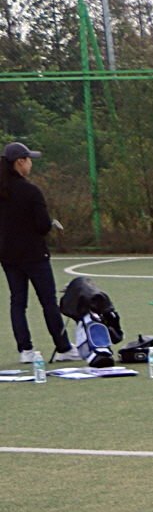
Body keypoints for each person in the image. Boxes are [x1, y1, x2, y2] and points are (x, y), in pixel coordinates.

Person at [1, 141, 77, 364]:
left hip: (8, 256)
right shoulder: (31, 191)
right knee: (48, 301)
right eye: (29, 160)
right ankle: (63, 347)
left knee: (18, 302)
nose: (31, 164)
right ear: (20, 162)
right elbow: (43, 225)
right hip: (34, 255)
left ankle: (25, 350)